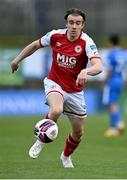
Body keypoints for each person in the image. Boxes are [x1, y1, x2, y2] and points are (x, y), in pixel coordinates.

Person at [11, 8, 102, 168]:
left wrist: (85, 70)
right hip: (55, 83)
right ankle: (40, 140)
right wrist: (17, 60)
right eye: (71, 22)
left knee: (78, 133)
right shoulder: (55, 35)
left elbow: (99, 66)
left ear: (83, 25)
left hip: (75, 92)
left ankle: (66, 156)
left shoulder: (87, 42)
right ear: (66, 23)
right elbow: (34, 45)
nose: (74, 26)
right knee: (56, 110)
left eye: (78, 23)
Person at [102, 34, 127, 137]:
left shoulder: (111, 54)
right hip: (120, 80)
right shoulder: (124, 54)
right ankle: (114, 128)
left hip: (112, 80)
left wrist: (104, 81)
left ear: (111, 42)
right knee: (114, 103)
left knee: (111, 104)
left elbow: (109, 70)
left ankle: (118, 124)